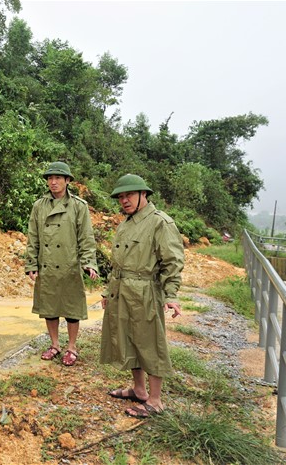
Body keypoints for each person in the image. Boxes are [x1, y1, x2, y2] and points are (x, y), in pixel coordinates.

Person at [100, 174, 184, 418]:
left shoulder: (160, 223)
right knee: (129, 340)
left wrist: (171, 294)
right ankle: (139, 389)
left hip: (146, 291)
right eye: (121, 196)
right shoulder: (126, 223)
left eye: (129, 195)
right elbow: (118, 263)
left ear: (143, 194)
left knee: (150, 343)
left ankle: (156, 401)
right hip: (122, 290)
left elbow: (172, 262)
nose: (124, 200)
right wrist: (108, 291)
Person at [25, 161, 98, 367]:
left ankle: (72, 347)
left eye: (58, 178)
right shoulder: (39, 206)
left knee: (71, 308)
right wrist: (31, 263)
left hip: (69, 264)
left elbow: (86, 237)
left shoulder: (78, 206)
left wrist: (88, 262)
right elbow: (33, 236)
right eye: (50, 178)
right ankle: (55, 345)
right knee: (50, 307)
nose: (53, 182)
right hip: (46, 263)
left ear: (67, 181)